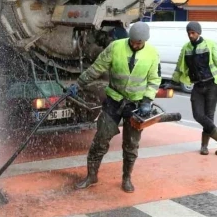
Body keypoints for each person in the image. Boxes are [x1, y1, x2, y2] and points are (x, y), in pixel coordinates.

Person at [69, 21, 161, 193]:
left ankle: (126, 178)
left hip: (135, 106)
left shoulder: (152, 54)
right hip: (114, 101)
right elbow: (97, 68)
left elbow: (154, 80)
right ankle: (91, 175)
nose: (134, 44)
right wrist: (80, 83)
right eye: (132, 41)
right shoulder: (115, 47)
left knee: (131, 145)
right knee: (101, 139)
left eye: (138, 43)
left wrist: (147, 100)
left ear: (144, 41)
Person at [167, 21, 217, 156]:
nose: (190, 35)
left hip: (213, 84)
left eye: (193, 33)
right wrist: (173, 82)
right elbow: (179, 66)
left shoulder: (210, 44)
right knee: (198, 115)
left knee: (209, 116)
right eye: (189, 33)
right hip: (197, 85)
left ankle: (204, 146)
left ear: (199, 32)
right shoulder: (186, 48)